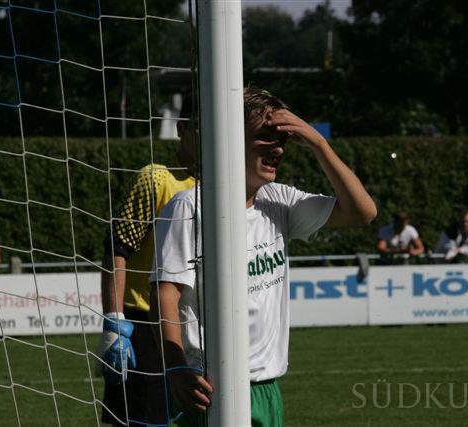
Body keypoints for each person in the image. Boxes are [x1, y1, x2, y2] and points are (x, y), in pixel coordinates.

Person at [150, 87, 377, 426]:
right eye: (265, 137)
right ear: (228, 138)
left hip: (267, 388)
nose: (279, 149)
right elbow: (164, 294)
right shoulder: (190, 207)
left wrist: (319, 144)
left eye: (283, 139)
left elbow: (362, 213)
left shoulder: (278, 200)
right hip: (210, 387)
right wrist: (176, 366)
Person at [95, 96, 198, 426]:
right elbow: (117, 247)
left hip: (198, 326)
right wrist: (115, 323)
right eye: (201, 127)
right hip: (146, 326)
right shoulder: (157, 179)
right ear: (182, 129)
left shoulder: (229, 187)